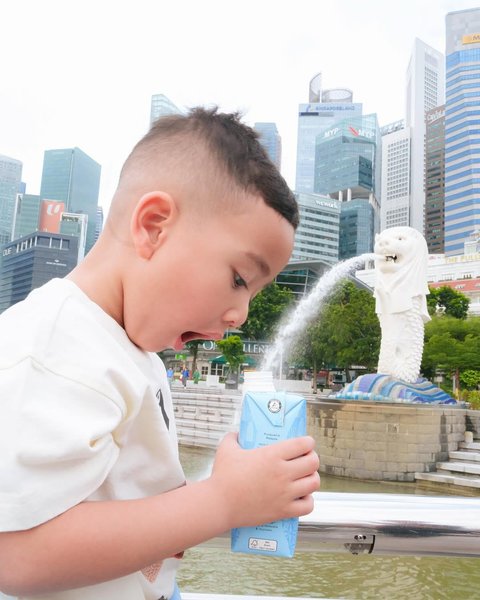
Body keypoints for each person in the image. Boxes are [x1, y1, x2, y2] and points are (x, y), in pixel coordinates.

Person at [0, 107, 320, 600]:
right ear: (152, 226)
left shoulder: (134, 352)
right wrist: (223, 502)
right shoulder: (54, 347)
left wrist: (172, 521)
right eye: (239, 279)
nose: (241, 314)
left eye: (253, 293)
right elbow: (16, 554)